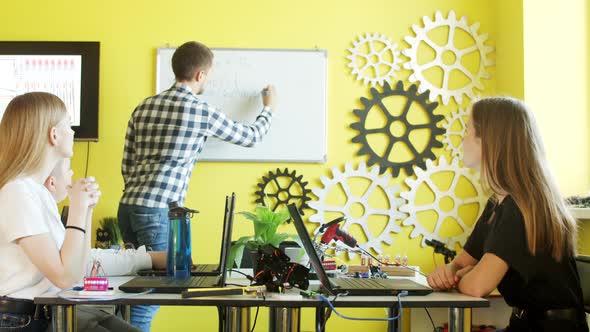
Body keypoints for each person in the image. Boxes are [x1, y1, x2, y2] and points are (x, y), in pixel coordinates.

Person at [117, 40, 277, 331]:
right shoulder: (199, 110)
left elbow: (127, 163)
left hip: (128, 207)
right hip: (156, 213)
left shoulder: (143, 107)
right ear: (201, 75)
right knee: (150, 295)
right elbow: (251, 136)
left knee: (131, 288)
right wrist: (268, 108)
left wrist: (140, 195)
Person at [0, 92, 160, 332]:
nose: (73, 132)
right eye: (68, 124)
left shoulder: (37, 193)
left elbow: (75, 269)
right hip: (26, 322)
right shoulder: (17, 192)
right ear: (53, 135)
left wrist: (86, 211)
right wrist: (77, 209)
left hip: (49, 313)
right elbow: (64, 277)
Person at [427, 97, 589, 331]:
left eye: (468, 131)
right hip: (524, 322)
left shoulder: (519, 207)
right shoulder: (498, 204)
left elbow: (477, 286)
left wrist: (466, 274)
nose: (462, 139)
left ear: (491, 142)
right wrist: (454, 270)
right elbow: (463, 261)